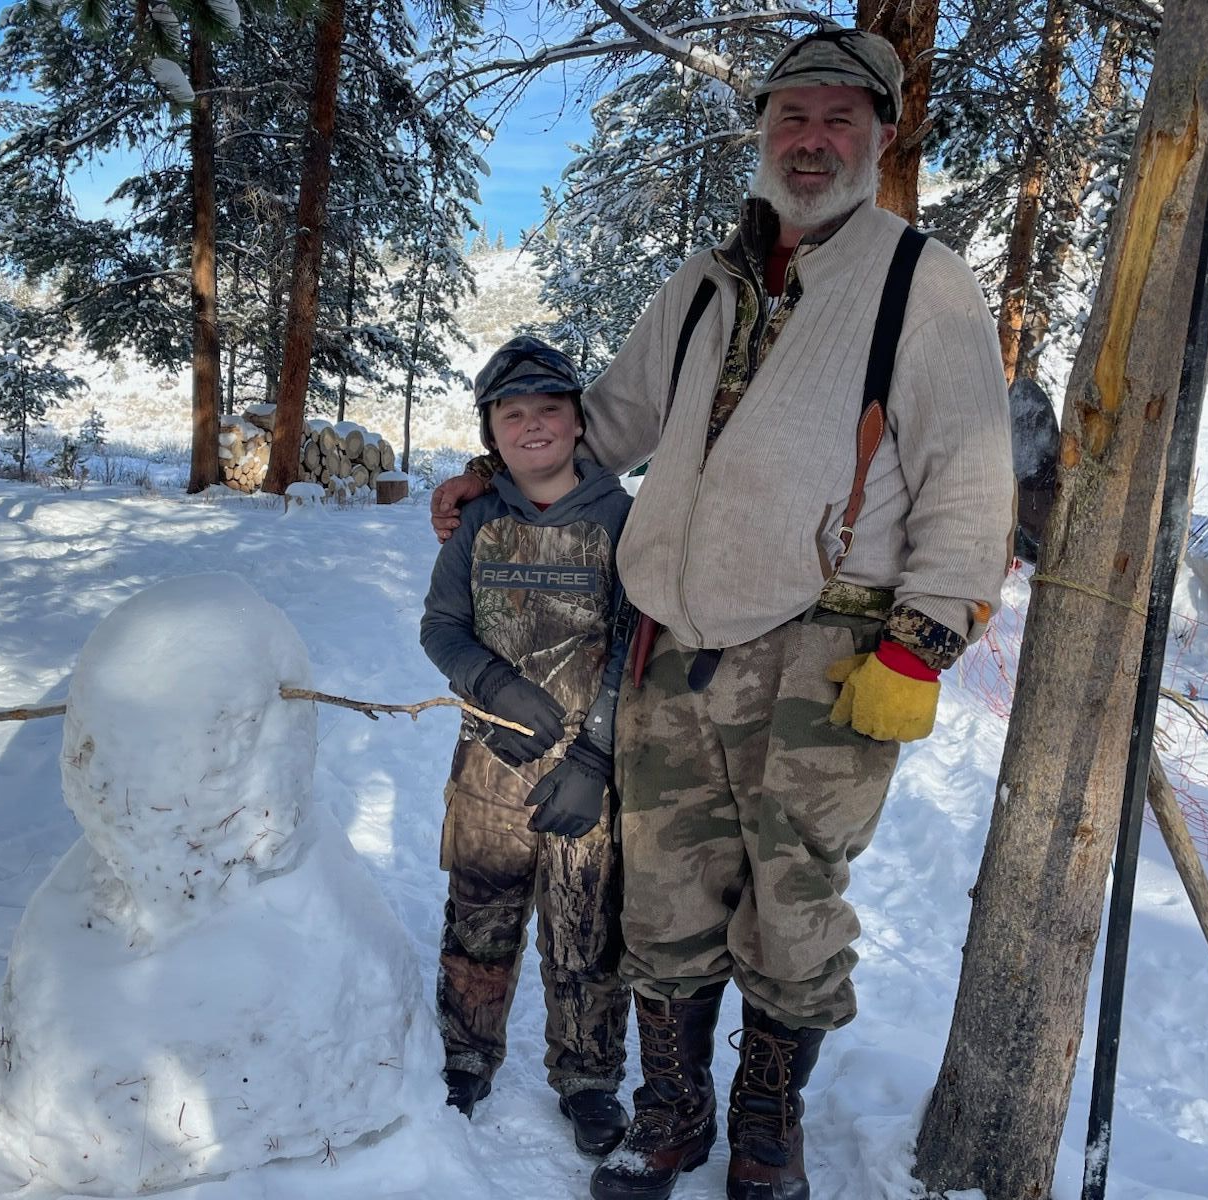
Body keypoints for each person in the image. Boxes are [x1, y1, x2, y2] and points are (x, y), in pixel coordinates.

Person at [432, 26, 1013, 1200]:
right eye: (790, 118)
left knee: (791, 902)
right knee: (665, 896)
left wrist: (923, 640)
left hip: (827, 651)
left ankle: (764, 1127)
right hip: (666, 651)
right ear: (761, 130)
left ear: (881, 136)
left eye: (838, 120)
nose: (810, 141)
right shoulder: (706, 283)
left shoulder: (921, 281)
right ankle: (673, 1112)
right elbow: (606, 418)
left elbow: (969, 472)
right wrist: (496, 471)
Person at [420, 335, 636, 1157]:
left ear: (580, 424)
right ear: (492, 432)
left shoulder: (622, 519)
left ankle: (588, 1077)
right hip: (488, 767)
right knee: (478, 919)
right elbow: (440, 627)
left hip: (589, 775)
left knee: (587, 933)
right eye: (513, 415)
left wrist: (594, 760)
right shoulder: (477, 520)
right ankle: (466, 1057)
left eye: (549, 411)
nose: (532, 426)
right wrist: (490, 683)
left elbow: (635, 645)